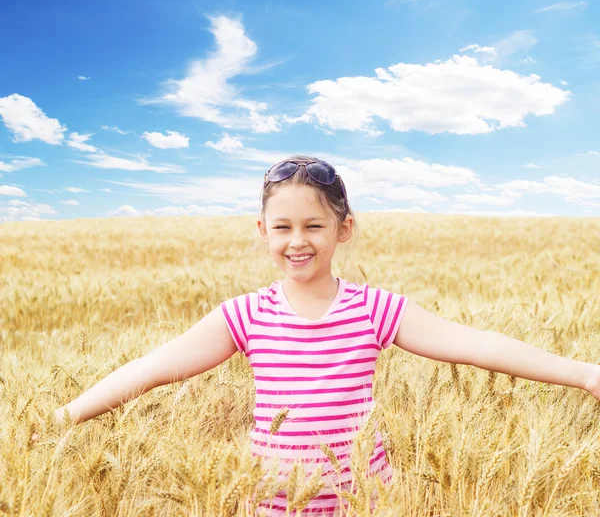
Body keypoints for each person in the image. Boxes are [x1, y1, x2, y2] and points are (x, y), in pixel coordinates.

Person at [51, 155, 600, 517]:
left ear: (344, 228)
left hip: (366, 501)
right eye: (283, 227)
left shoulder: (373, 309)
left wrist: (585, 374)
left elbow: (478, 345)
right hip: (271, 504)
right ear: (262, 230)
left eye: (314, 226)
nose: (298, 242)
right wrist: (64, 416)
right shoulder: (245, 316)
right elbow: (153, 366)